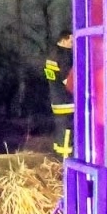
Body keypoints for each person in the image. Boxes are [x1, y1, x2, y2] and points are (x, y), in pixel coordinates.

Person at [45, 29, 76, 159]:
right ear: (64, 39)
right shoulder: (64, 56)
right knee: (68, 133)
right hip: (67, 101)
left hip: (56, 100)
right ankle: (66, 161)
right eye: (71, 40)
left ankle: (58, 159)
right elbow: (68, 81)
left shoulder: (51, 55)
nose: (73, 43)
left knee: (60, 131)